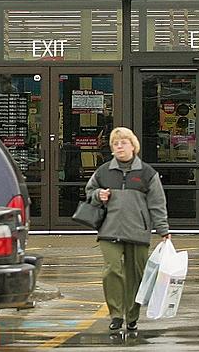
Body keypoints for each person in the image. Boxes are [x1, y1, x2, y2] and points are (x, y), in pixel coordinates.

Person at [84, 126, 170, 334]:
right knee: (112, 270)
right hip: (109, 231)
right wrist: (98, 195)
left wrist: (163, 229)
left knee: (136, 276)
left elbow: (157, 203)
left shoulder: (147, 173)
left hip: (137, 231)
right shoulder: (103, 171)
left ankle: (132, 316)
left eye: (123, 142)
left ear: (133, 146)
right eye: (115, 143)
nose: (119, 146)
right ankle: (115, 314)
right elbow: (89, 193)